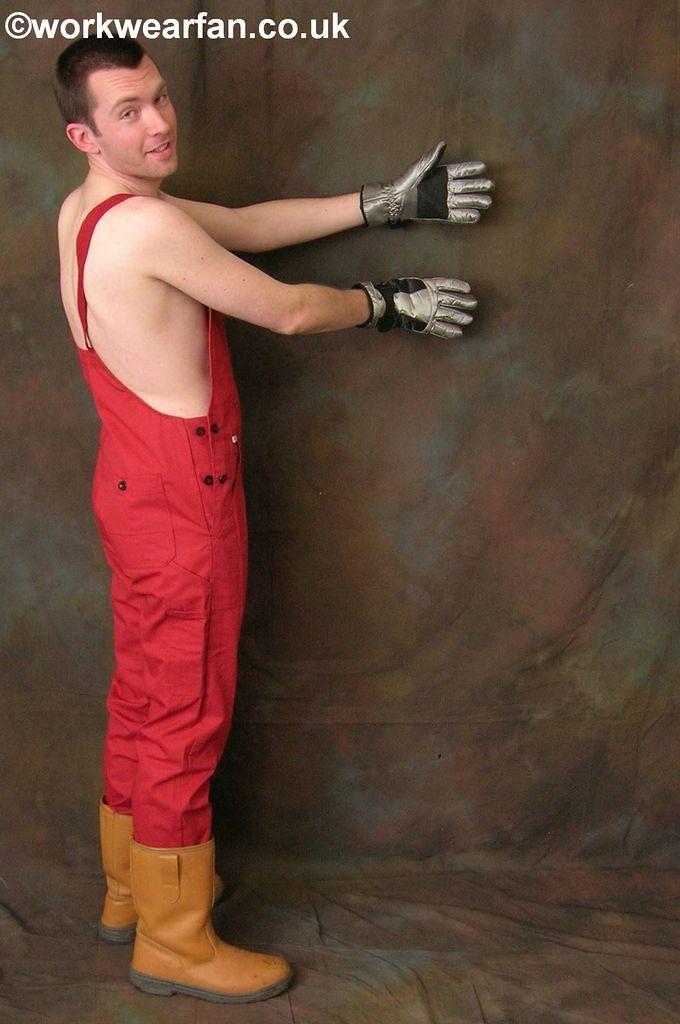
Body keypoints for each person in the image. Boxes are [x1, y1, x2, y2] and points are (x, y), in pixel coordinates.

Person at [53, 34, 494, 1006]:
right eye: (129, 111)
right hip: (182, 496)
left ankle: (131, 890)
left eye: (159, 97)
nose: (159, 121)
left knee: (143, 697)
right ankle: (173, 940)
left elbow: (245, 227)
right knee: (185, 717)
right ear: (86, 133)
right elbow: (289, 310)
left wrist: (381, 202)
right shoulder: (143, 227)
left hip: (128, 486)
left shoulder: (89, 209)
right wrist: (384, 302)